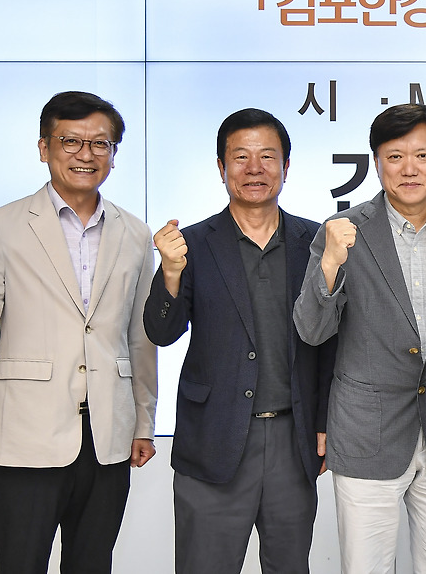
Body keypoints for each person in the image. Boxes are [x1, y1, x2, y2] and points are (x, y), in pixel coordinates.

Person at [0, 90, 158, 574]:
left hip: (108, 436)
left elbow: (139, 337)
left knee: (92, 565)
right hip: (27, 435)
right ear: (44, 148)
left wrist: (143, 421)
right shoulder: (1, 226)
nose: (86, 154)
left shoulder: (135, 233)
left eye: (100, 143)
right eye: (70, 141)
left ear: (113, 154)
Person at [293, 103, 426, 574]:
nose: (410, 169)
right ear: (376, 162)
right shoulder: (342, 231)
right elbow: (312, 329)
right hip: (367, 430)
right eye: (395, 156)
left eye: (423, 156)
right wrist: (330, 263)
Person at [143, 108, 337, 573]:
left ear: (286, 167)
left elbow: (332, 343)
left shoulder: (317, 241)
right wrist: (170, 273)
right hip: (214, 437)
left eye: (267, 157)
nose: (255, 168)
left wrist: (326, 421)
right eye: (241, 157)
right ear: (221, 167)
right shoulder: (191, 244)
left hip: (292, 440)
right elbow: (161, 332)